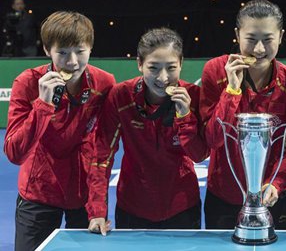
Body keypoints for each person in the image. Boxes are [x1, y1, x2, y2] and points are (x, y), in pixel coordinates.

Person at [3, 11, 116, 251]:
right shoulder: (27, 82)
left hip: (83, 195)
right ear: (47, 50)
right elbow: (14, 153)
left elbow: (103, 150)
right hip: (38, 193)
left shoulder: (105, 84)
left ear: (91, 48)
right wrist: (43, 105)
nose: (72, 61)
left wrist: (97, 208)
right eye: (62, 52)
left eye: (80, 51)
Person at [87, 27, 209, 234]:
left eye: (171, 67)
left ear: (181, 64)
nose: (163, 77)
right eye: (153, 68)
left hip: (182, 206)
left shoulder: (194, 96)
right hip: (132, 206)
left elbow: (199, 155)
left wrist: (185, 116)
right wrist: (97, 210)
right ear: (139, 64)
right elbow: (101, 155)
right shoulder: (121, 96)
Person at [199, 0, 286, 229]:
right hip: (224, 194)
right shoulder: (215, 72)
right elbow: (213, 139)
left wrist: (276, 183)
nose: (259, 49)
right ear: (237, 35)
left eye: (268, 40)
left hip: (274, 196)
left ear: (281, 36)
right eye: (251, 39)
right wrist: (232, 90)